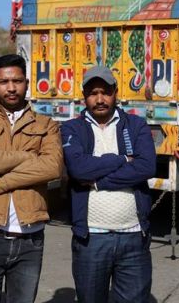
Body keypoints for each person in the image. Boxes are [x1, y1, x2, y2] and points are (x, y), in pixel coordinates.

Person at [0, 54, 63, 303]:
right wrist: (27, 156)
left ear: (26, 83)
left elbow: (52, 167)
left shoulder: (47, 124)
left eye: (17, 81)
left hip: (31, 236)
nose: (11, 88)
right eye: (4, 82)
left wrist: (3, 180)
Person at [61, 65, 157, 303]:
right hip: (91, 238)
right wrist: (122, 159)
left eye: (105, 92)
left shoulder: (135, 126)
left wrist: (96, 182)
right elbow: (78, 168)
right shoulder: (72, 128)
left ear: (115, 92)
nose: (100, 99)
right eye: (93, 93)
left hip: (134, 237)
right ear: (85, 97)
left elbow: (146, 167)